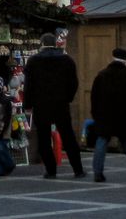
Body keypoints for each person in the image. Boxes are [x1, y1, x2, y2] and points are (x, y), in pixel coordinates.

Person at [23, 32, 86, 178]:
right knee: (68, 136)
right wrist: (68, 98)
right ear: (55, 43)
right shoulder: (67, 60)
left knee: (44, 138)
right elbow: (74, 83)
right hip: (60, 104)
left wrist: (28, 104)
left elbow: (28, 86)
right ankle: (78, 169)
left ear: (42, 43)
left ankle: (51, 170)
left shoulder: (33, 61)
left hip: (41, 104)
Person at [90, 48, 126, 182]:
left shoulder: (102, 74)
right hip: (122, 115)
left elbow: (94, 96)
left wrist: (95, 113)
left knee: (102, 141)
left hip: (104, 114)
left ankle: (98, 172)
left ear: (112, 57)